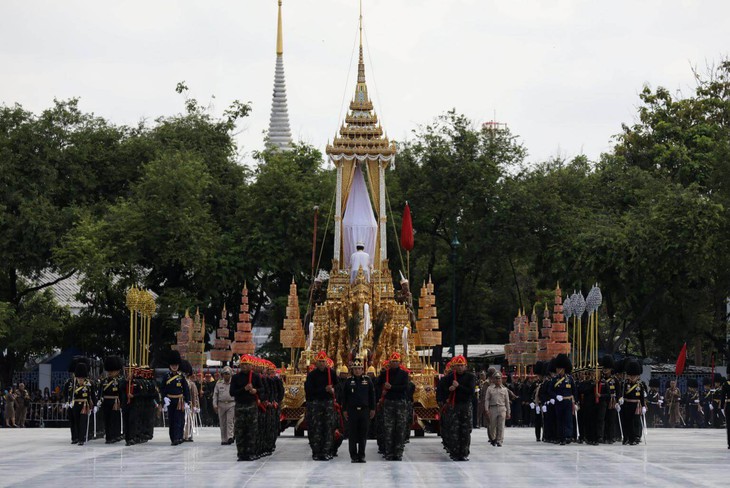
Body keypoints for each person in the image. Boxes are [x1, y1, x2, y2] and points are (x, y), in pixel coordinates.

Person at [304, 350, 338, 461]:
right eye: (320, 362)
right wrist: (323, 390)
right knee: (316, 428)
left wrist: (333, 390)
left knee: (328, 427)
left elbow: (339, 388)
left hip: (328, 404)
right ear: (316, 363)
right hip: (316, 404)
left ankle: (326, 451)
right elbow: (309, 390)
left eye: (323, 361)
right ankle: (316, 451)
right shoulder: (312, 375)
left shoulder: (331, 373)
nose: (322, 364)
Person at [230, 355, 264, 461]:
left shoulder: (255, 376)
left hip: (251, 406)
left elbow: (262, 389)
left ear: (250, 365)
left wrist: (255, 391)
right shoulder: (236, 377)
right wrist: (244, 389)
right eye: (242, 364)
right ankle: (241, 453)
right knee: (240, 431)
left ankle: (251, 452)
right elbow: (232, 392)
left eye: (246, 364)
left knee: (252, 430)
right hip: (240, 406)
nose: (244, 366)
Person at [341, 357, 375, 463]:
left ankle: (361, 455)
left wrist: (373, 409)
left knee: (363, 434)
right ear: (352, 370)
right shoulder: (348, 381)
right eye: (355, 368)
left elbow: (372, 396)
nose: (357, 370)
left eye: (359, 368)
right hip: (352, 411)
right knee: (352, 434)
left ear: (362, 369)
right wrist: (344, 410)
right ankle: (353, 456)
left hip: (364, 411)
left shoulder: (367, 381)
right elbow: (344, 397)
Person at [442, 355, 476, 460]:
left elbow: (471, 391)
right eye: (458, 365)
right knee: (454, 430)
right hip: (454, 406)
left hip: (465, 406)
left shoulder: (470, 377)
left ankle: (464, 453)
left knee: (465, 431)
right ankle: (455, 453)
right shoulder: (449, 377)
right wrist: (449, 390)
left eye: (462, 365)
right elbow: (442, 391)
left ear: (465, 366)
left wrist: (458, 386)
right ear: (454, 366)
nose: (460, 367)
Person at [378, 352, 410, 461]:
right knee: (388, 428)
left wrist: (392, 387)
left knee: (400, 428)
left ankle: (398, 452)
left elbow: (405, 387)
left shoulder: (404, 374)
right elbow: (377, 384)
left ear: (399, 363)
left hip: (400, 402)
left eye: (396, 361)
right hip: (389, 402)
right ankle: (389, 452)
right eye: (392, 361)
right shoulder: (385, 374)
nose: (394, 363)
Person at [161, 350, 190, 446]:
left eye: (176, 365)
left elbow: (186, 390)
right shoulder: (166, 376)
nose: (174, 366)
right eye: (173, 365)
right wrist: (164, 399)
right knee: (171, 420)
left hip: (179, 401)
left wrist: (187, 402)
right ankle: (173, 437)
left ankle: (178, 437)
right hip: (169, 400)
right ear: (170, 365)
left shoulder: (181, 377)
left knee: (179, 420)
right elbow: (163, 389)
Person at [619, 360, 645, 445]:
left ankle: (633, 438)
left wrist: (643, 406)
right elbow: (621, 393)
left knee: (634, 422)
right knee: (626, 422)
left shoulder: (640, 385)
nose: (633, 377)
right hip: (626, 405)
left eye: (634, 375)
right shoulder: (625, 384)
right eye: (631, 375)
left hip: (636, 406)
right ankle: (626, 438)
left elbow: (641, 397)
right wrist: (620, 399)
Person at [71, 362, 98, 446]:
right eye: (79, 378)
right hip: (75, 404)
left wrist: (95, 405)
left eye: (81, 378)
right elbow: (70, 394)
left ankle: (81, 439)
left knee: (83, 421)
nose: (80, 380)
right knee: (77, 421)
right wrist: (69, 402)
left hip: (85, 405)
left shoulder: (89, 384)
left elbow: (92, 395)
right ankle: (78, 437)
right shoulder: (73, 384)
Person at [552, 353, 576, 445]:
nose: (557, 369)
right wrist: (555, 396)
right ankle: (560, 436)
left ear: (563, 368)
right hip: (559, 402)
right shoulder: (555, 380)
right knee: (560, 419)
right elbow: (550, 391)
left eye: (559, 368)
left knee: (568, 419)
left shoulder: (570, 379)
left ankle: (568, 436)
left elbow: (574, 391)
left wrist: (576, 402)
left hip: (568, 402)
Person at [100, 356, 124, 443]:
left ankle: (115, 435)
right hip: (106, 402)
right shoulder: (104, 381)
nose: (110, 373)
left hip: (115, 402)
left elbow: (121, 392)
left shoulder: (119, 381)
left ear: (117, 371)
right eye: (109, 371)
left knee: (115, 419)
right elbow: (101, 392)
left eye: (112, 371)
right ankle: (108, 436)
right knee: (107, 419)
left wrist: (122, 402)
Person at [485, 369, 511, 446]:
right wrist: (486, 409)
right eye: (496, 378)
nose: (498, 380)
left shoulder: (504, 389)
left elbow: (507, 401)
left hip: (502, 408)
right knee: (492, 425)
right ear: (493, 379)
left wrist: (508, 412)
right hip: (493, 408)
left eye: (499, 378)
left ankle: (499, 440)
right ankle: (493, 439)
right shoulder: (489, 389)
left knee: (501, 425)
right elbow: (487, 400)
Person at [213, 366, 235, 445]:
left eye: (228, 374)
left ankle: (230, 437)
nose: (227, 376)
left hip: (231, 403)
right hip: (221, 404)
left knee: (230, 421)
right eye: (225, 374)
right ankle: (224, 439)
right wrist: (215, 405)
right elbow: (215, 395)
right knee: (222, 422)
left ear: (230, 375)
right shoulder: (218, 383)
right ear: (222, 375)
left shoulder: (233, 383)